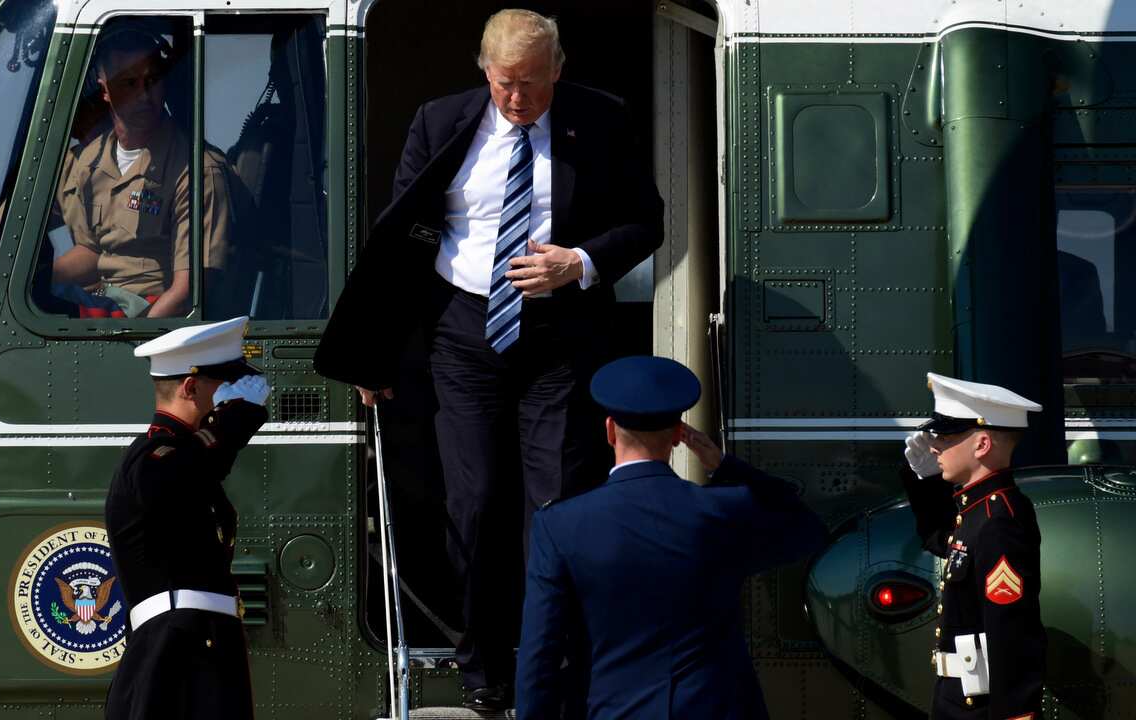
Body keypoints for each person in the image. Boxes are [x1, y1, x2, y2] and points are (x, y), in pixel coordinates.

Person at [314, 10, 663, 707]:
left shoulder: (600, 119)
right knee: (473, 504)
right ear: (484, 69)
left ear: (559, 68)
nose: (518, 99)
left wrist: (582, 261)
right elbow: (398, 240)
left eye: (532, 83)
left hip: (561, 338)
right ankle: (482, 666)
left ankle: (553, 669)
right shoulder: (440, 121)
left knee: (556, 507)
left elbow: (647, 220)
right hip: (463, 332)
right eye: (505, 83)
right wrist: (374, 352)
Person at [516, 356, 828, 719]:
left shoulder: (560, 525)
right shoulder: (723, 512)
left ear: (610, 431)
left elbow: (540, 654)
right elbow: (808, 528)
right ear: (680, 436)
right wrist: (725, 466)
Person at [104, 316, 271, 719]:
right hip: (174, 648)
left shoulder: (185, 455)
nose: (231, 395)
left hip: (199, 639)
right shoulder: (151, 457)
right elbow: (178, 476)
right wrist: (234, 421)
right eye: (223, 384)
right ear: (191, 387)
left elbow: (199, 468)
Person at [52, 24, 232, 318]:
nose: (144, 95)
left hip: (143, 313)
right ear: (104, 87)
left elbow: (188, 294)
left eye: (153, 81)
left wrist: (135, 346)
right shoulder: (88, 162)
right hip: (102, 299)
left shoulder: (198, 172)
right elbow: (92, 251)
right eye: (129, 83)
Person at [902, 373, 1047, 719]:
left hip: (977, 708)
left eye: (947, 435)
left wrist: (1016, 713)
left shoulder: (998, 521)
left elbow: (1012, 630)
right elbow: (940, 538)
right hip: (958, 701)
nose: (934, 445)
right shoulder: (978, 511)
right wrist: (923, 478)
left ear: (982, 445)